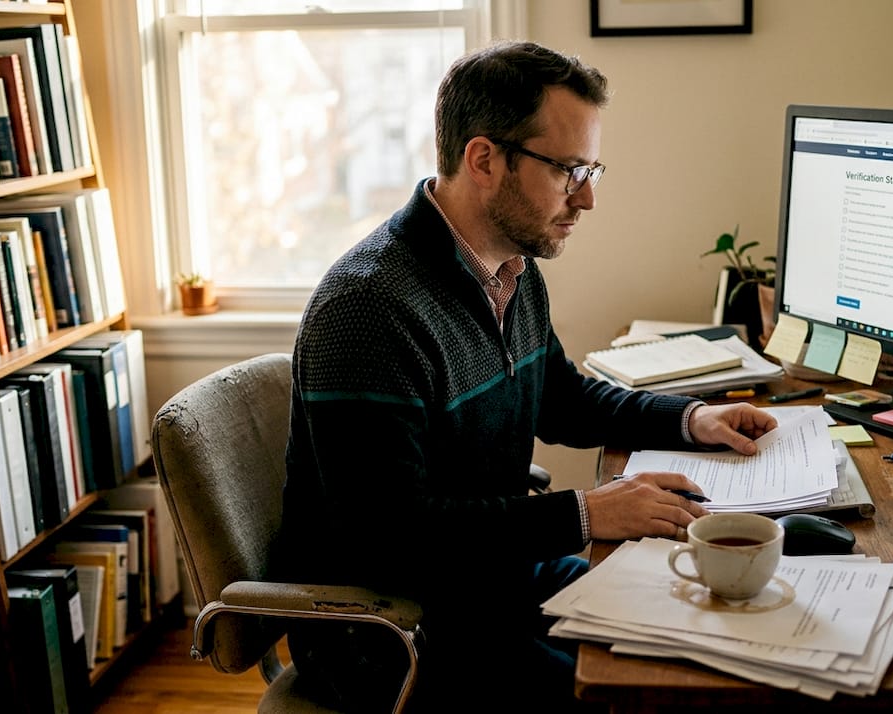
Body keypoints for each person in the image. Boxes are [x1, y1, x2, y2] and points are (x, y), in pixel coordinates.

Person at [276, 40, 777, 713]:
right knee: (646, 692)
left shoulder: (511, 267)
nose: (588, 197)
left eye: (590, 168)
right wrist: (585, 513)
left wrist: (690, 419)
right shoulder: (368, 311)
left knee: (694, 624)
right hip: (397, 631)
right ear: (484, 160)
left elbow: (560, 399)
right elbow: (390, 539)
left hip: (492, 584)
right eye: (569, 170)